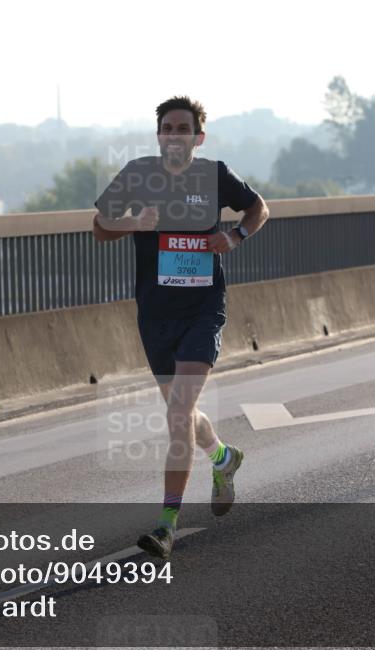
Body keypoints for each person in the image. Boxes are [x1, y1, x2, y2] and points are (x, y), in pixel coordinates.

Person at [92, 96, 270, 558]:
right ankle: (224, 458)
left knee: (177, 415)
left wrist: (235, 236)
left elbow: (259, 209)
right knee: (182, 413)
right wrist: (134, 222)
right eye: (167, 128)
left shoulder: (214, 175)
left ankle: (167, 524)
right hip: (155, 313)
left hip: (202, 308)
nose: (174, 135)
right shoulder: (138, 174)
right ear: (159, 136)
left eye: (182, 129)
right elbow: (99, 226)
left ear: (198, 137)